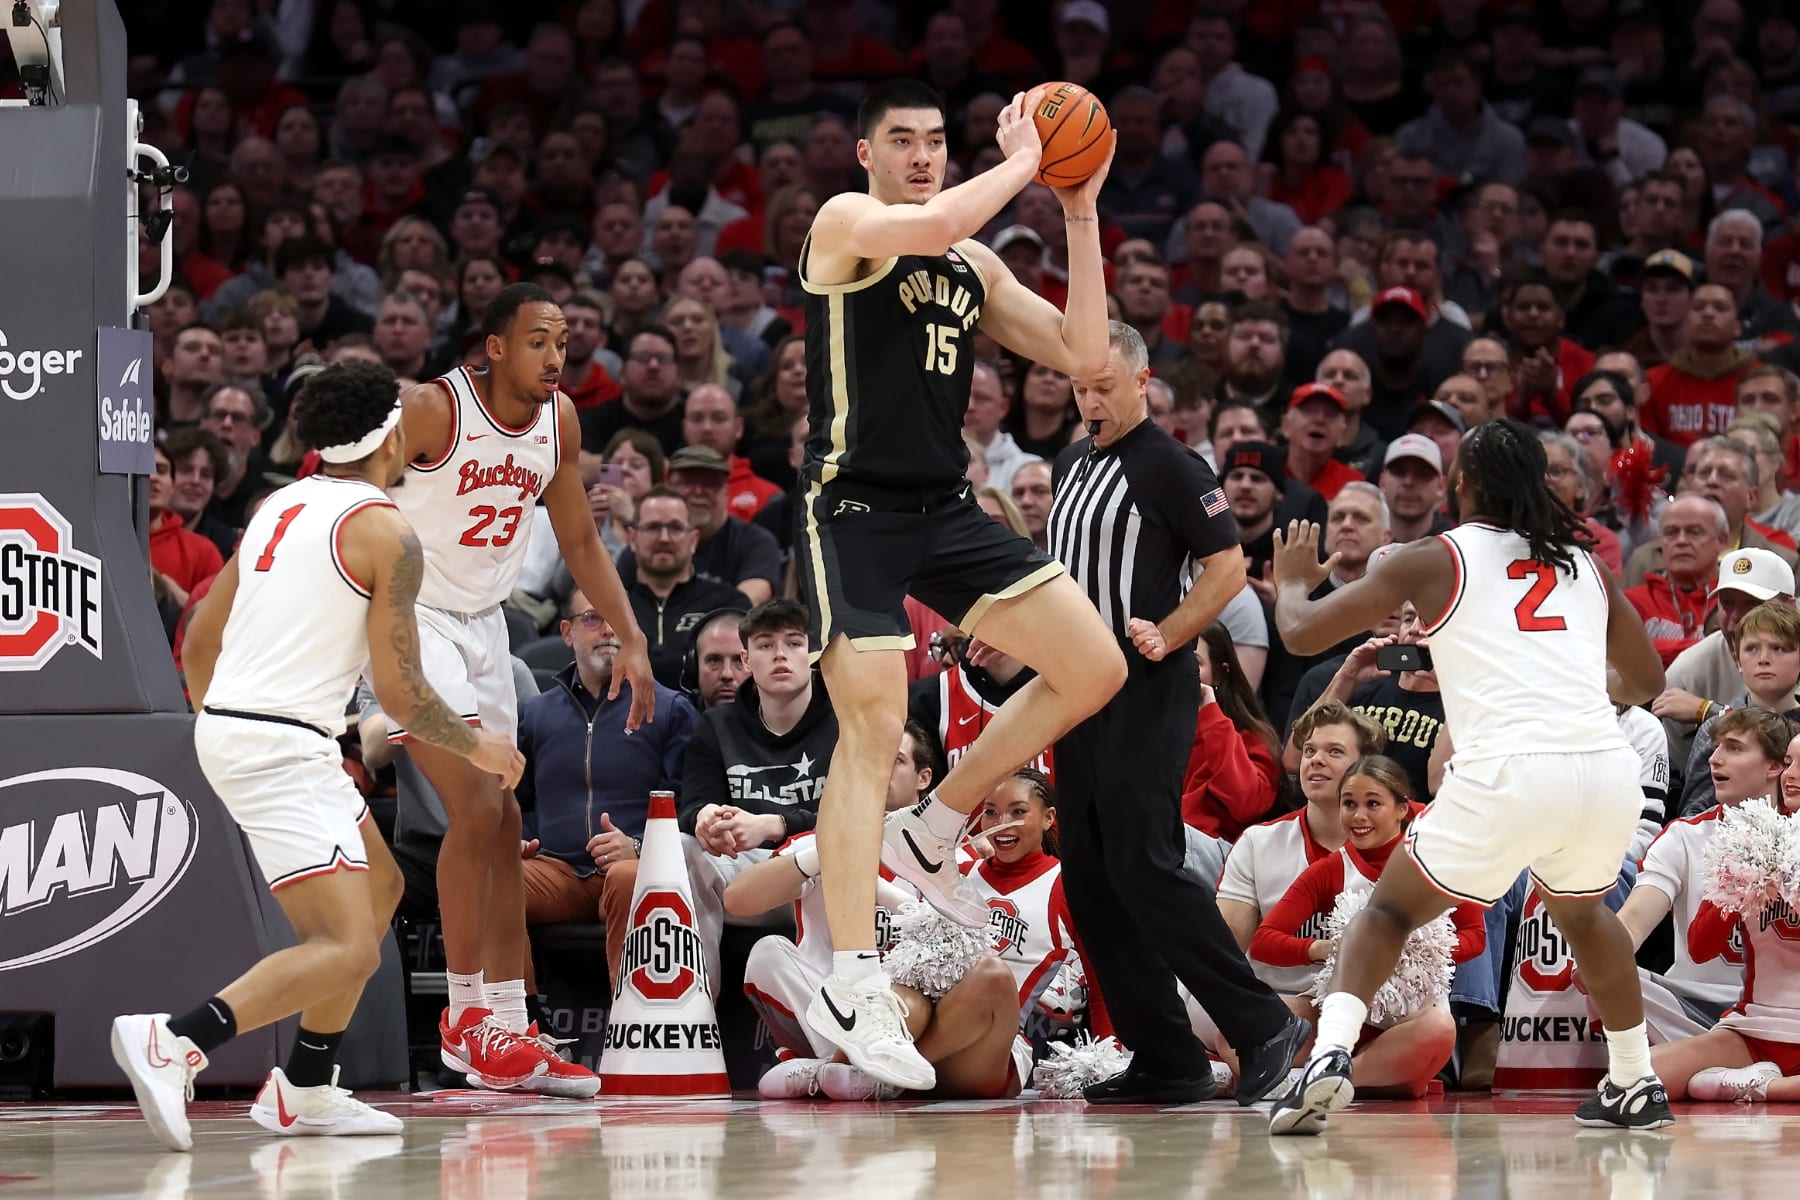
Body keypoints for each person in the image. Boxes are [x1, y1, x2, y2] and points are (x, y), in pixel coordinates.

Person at [794, 79, 1129, 1090]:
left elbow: (1084, 355)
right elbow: (932, 220)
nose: (924, 155)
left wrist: (1076, 207)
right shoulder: (847, 223)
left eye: (936, 140)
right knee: (872, 722)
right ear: (867, 155)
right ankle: (853, 980)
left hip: (943, 508)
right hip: (851, 509)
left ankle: (936, 824)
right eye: (903, 141)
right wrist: (1029, 159)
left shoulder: (974, 264)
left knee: (1093, 663)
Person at [111, 362, 526, 1152]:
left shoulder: (277, 505)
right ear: (390, 434)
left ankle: (306, 1086)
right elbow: (402, 695)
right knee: (345, 944)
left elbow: (200, 637)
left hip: (248, 727)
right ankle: (176, 1041)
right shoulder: (387, 531)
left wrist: (226, 719)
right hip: (279, 741)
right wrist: (481, 748)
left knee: (380, 893)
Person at [1267, 417, 1672, 1134]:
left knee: (1388, 911)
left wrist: (1294, 582)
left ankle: (1328, 1057)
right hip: (1604, 768)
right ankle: (1634, 1078)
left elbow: (1300, 633)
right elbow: (1645, 680)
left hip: (1511, 769)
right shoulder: (1586, 564)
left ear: (1461, 484)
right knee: (1584, 914)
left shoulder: (1432, 557)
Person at [389, 283, 654, 1094]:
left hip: (484, 625)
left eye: (564, 343)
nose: (555, 357)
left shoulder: (559, 422)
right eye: (538, 341)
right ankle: (465, 1017)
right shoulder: (438, 410)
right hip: (411, 616)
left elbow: (576, 535)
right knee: (476, 801)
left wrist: (632, 634)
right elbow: (344, 483)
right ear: (495, 347)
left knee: (502, 817)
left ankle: (507, 1023)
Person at [1043, 321, 1311, 1105]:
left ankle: (1263, 1025)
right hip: (1075, 690)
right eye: (1079, 388)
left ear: (1141, 380)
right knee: (1091, 881)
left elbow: (1228, 566)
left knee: (1144, 863)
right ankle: (1167, 1056)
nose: (1089, 401)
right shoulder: (1068, 462)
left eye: (1103, 386)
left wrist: (1171, 633)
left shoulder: (1171, 463)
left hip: (1144, 688)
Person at [731, 722, 1032, 1101]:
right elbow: (737, 900)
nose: (877, 770)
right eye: (868, 760)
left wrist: (887, 893)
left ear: (924, 778)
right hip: (849, 1014)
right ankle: (847, 1065)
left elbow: (970, 950)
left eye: (895, 761)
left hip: (945, 1032)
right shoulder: (815, 844)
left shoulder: (958, 857)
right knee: (769, 952)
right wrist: (830, 854)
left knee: (987, 976)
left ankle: (863, 1075)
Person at [1250, 756, 1486, 1099]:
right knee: (1243, 1029)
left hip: (1411, 1021)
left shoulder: (1441, 863)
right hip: (1342, 1019)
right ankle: (1351, 1074)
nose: (1358, 816)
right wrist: (1332, 950)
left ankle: (1318, 1079)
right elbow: (1264, 942)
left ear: (1402, 809)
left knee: (1439, 1029)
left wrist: (1419, 952)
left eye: (1373, 804)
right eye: (1349, 804)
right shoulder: (1331, 868)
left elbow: (1475, 937)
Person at [517, 592, 698, 1008]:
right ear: (566, 633)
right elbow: (519, 801)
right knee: (494, 882)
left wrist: (636, 843)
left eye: (620, 618)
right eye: (594, 619)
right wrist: (521, 839)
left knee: (629, 876)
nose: (611, 631)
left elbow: (688, 807)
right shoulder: (536, 713)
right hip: (556, 868)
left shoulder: (671, 709)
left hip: (632, 864)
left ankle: (631, 1018)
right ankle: (520, 1018)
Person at [1650, 731, 1800, 1103]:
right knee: (1637, 1080)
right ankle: (1756, 1079)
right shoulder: (1753, 841)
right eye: (1790, 762)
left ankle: (1763, 1087)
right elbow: (1700, 949)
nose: (1791, 775)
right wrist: (1737, 884)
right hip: (1754, 1030)